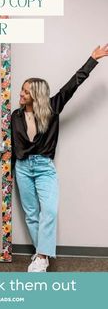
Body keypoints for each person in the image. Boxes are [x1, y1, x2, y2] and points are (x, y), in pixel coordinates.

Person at [11, 44, 108, 272]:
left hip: (44, 167)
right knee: (32, 214)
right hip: (23, 168)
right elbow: (12, 144)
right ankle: (41, 257)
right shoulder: (15, 116)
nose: (21, 94)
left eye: (25, 91)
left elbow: (74, 83)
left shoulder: (53, 107)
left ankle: (42, 256)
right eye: (21, 90)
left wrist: (92, 59)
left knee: (49, 211)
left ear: (36, 94)